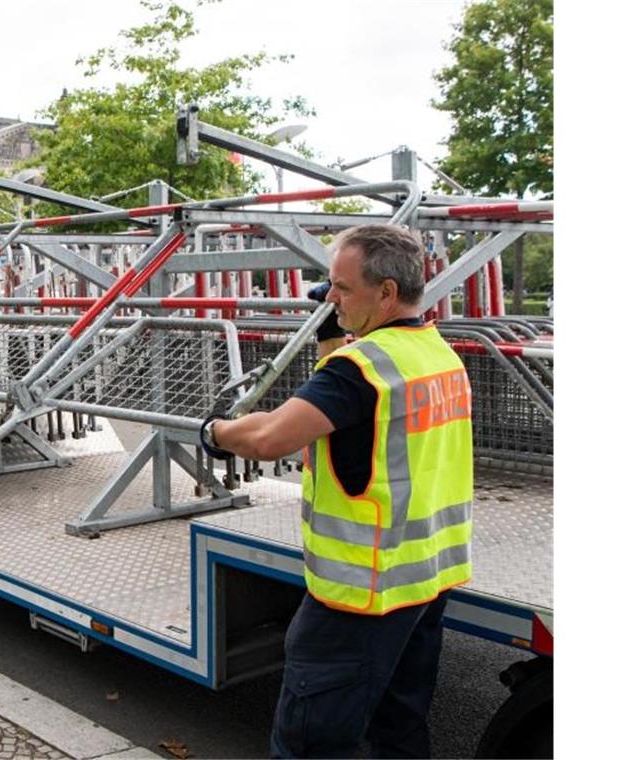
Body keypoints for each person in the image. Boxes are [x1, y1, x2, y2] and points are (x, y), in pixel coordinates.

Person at [199, 225, 474, 758]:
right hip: (423, 583)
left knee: (310, 744)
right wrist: (335, 324)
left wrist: (214, 433)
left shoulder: (360, 371)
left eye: (342, 289)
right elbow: (358, 416)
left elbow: (269, 435)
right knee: (400, 729)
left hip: (358, 597)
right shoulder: (437, 355)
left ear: (387, 293)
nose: (330, 297)